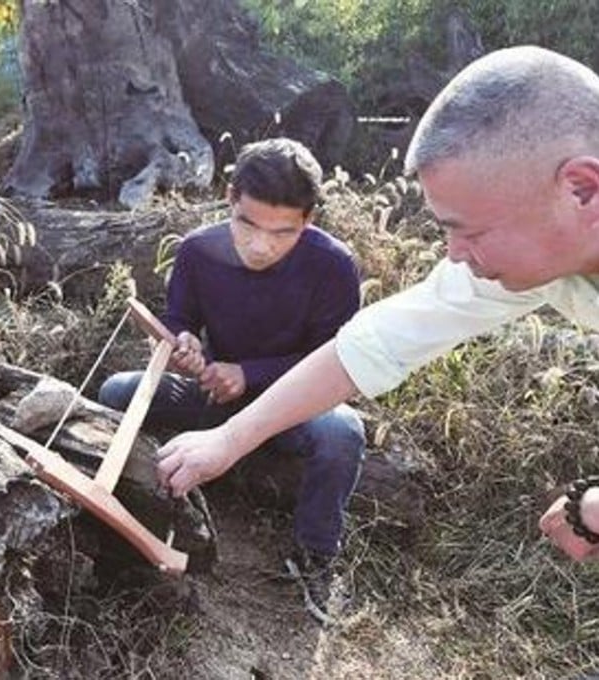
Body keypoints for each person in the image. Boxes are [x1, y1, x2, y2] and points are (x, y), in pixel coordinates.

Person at [155, 45, 599, 567]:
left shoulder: (332, 263)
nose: (453, 253)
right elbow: (373, 343)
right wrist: (227, 441)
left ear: (582, 189)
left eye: (469, 230)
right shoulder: (529, 249)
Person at [98, 138, 366, 622]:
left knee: (343, 432)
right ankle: (137, 510)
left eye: (283, 232)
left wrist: (251, 374)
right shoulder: (198, 250)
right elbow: (179, 316)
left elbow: (336, 362)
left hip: (294, 406)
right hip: (212, 394)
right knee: (118, 391)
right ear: (229, 198)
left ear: (309, 218)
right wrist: (185, 343)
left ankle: (317, 554)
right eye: (248, 224)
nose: (261, 245)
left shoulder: (334, 266)